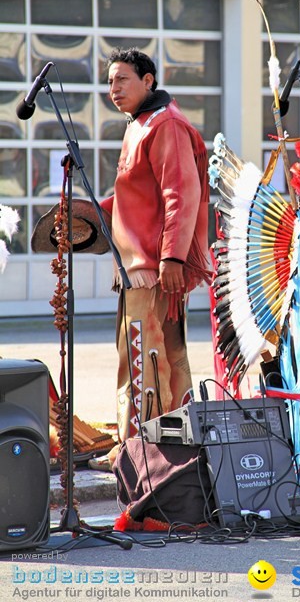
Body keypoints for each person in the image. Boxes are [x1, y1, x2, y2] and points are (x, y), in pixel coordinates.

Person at [92, 47, 210, 468]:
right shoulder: (141, 124)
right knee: (167, 357)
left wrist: (173, 259)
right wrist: (92, 212)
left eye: (122, 79)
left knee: (144, 359)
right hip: (147, 265)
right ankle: (174, 451)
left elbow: (182, 192)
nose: (113, 88)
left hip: (154, 268)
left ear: (148, 80)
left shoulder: (166, 124)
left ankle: (142, 454)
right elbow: (137, 196)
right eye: (109, 81)